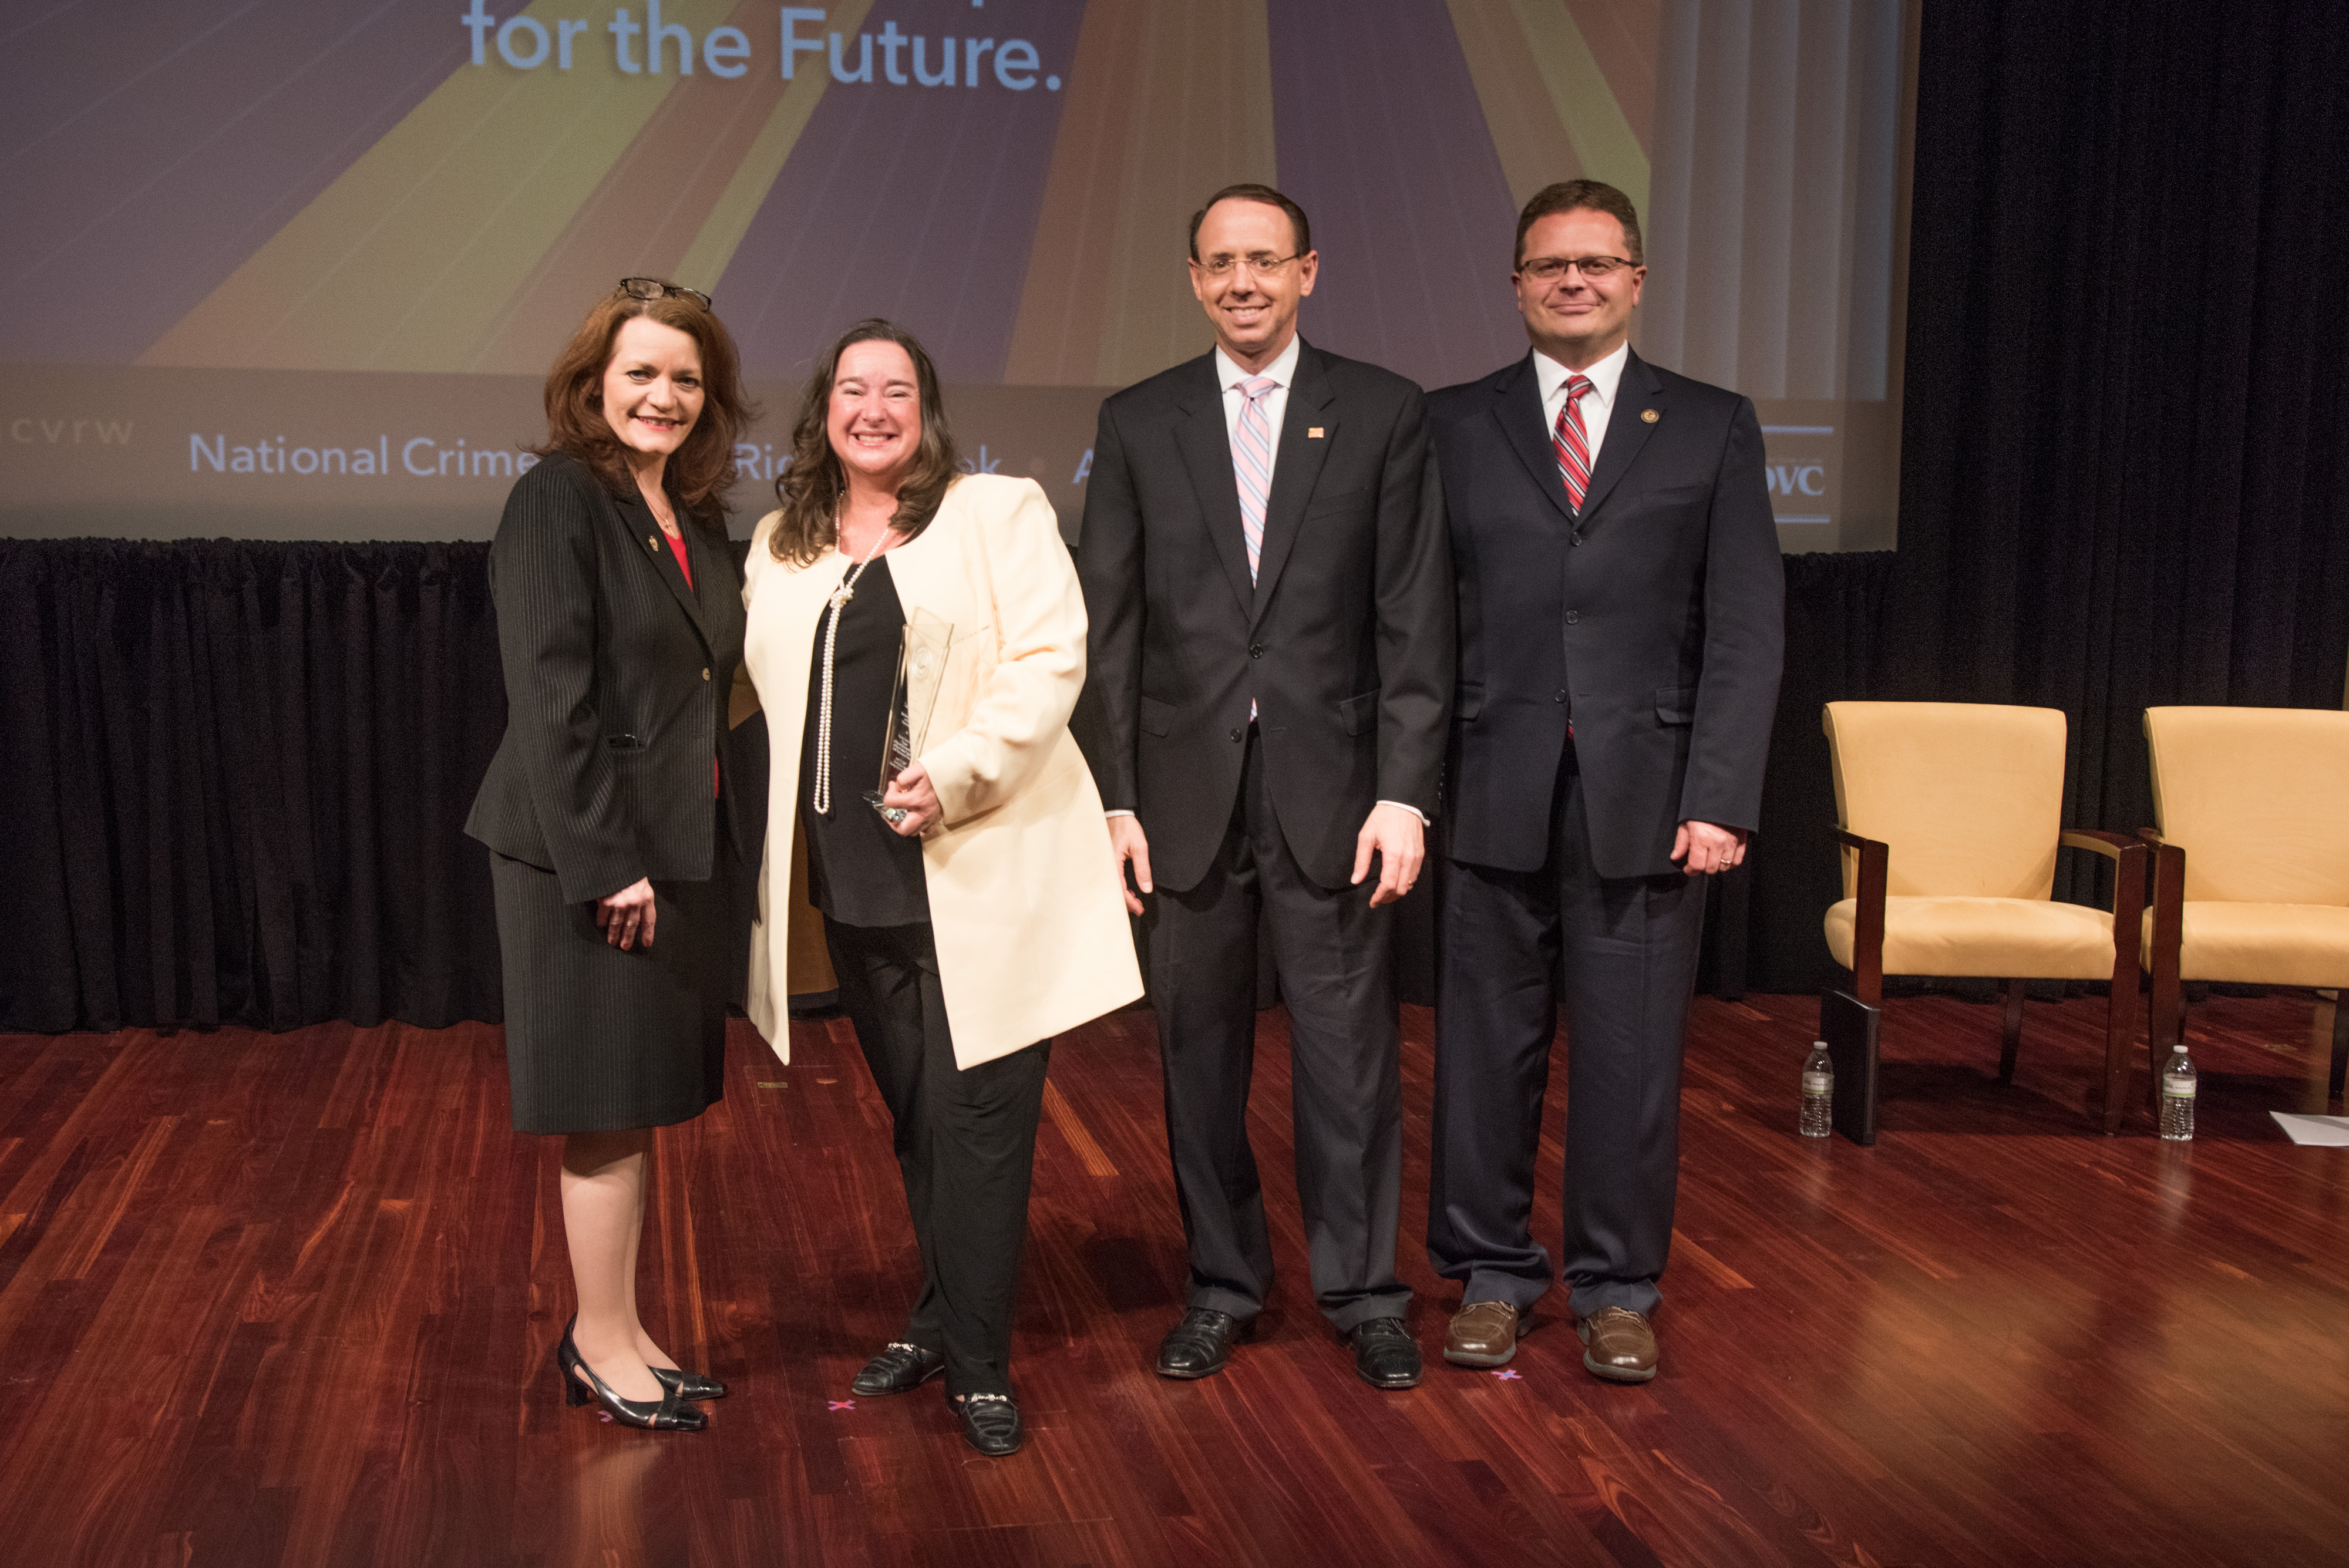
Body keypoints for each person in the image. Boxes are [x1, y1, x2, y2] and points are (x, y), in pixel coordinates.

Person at [1071, 185, 1454, 1389]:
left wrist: (1405, 791)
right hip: (1181, 802)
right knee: (1196, 1062)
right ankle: (1222, 1285)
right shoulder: (1138, 421)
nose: (1243, 282)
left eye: (1265, 261)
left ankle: (1364, 1294)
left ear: (1308, 271)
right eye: (1220, 263)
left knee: (1347, 1060)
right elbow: (1110, 625)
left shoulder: (1384, 412)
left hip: (1337, 798)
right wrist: (1115, 800)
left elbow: (1412, 619)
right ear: (1193, 278)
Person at [739, 319, 1142, 1458]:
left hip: (978, 873)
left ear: (925, 411)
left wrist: (955, 775)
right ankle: (936, 1317)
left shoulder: (993, 511)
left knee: (980, 1129)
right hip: (856, 882)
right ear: (823, 407)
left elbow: (1049, 661)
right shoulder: (781, 542)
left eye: (896, 390)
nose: (873, 407)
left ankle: (976, 1364)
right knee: (920, 1125)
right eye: (852, 389)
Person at [1424, 181, 1784, 1383]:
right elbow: (1417, 623)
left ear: (1635, 279)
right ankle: (1488, 1275)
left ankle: (1618, 1287)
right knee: (1482, 1052)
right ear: (1515, 283)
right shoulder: (1450, 423)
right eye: (1548, 266)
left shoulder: (1710, 423)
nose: (1571, 282)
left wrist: (1722, 795)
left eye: (1595, 263)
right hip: (1486, 781)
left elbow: (1742, 626)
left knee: (1630, 1057)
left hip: (1651, 791)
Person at [466, 278, 759, 1431]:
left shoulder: (684, 515)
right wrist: (606, 863)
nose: (664, 395)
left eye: (685, 378)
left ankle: (622, 1328)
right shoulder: (560, 500)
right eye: (641, 372)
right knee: (601, 1104)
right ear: (594, 383)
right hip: (588, 860)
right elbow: (552, 697)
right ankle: (596, 1342)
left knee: (630, 1104)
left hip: (666, 850)